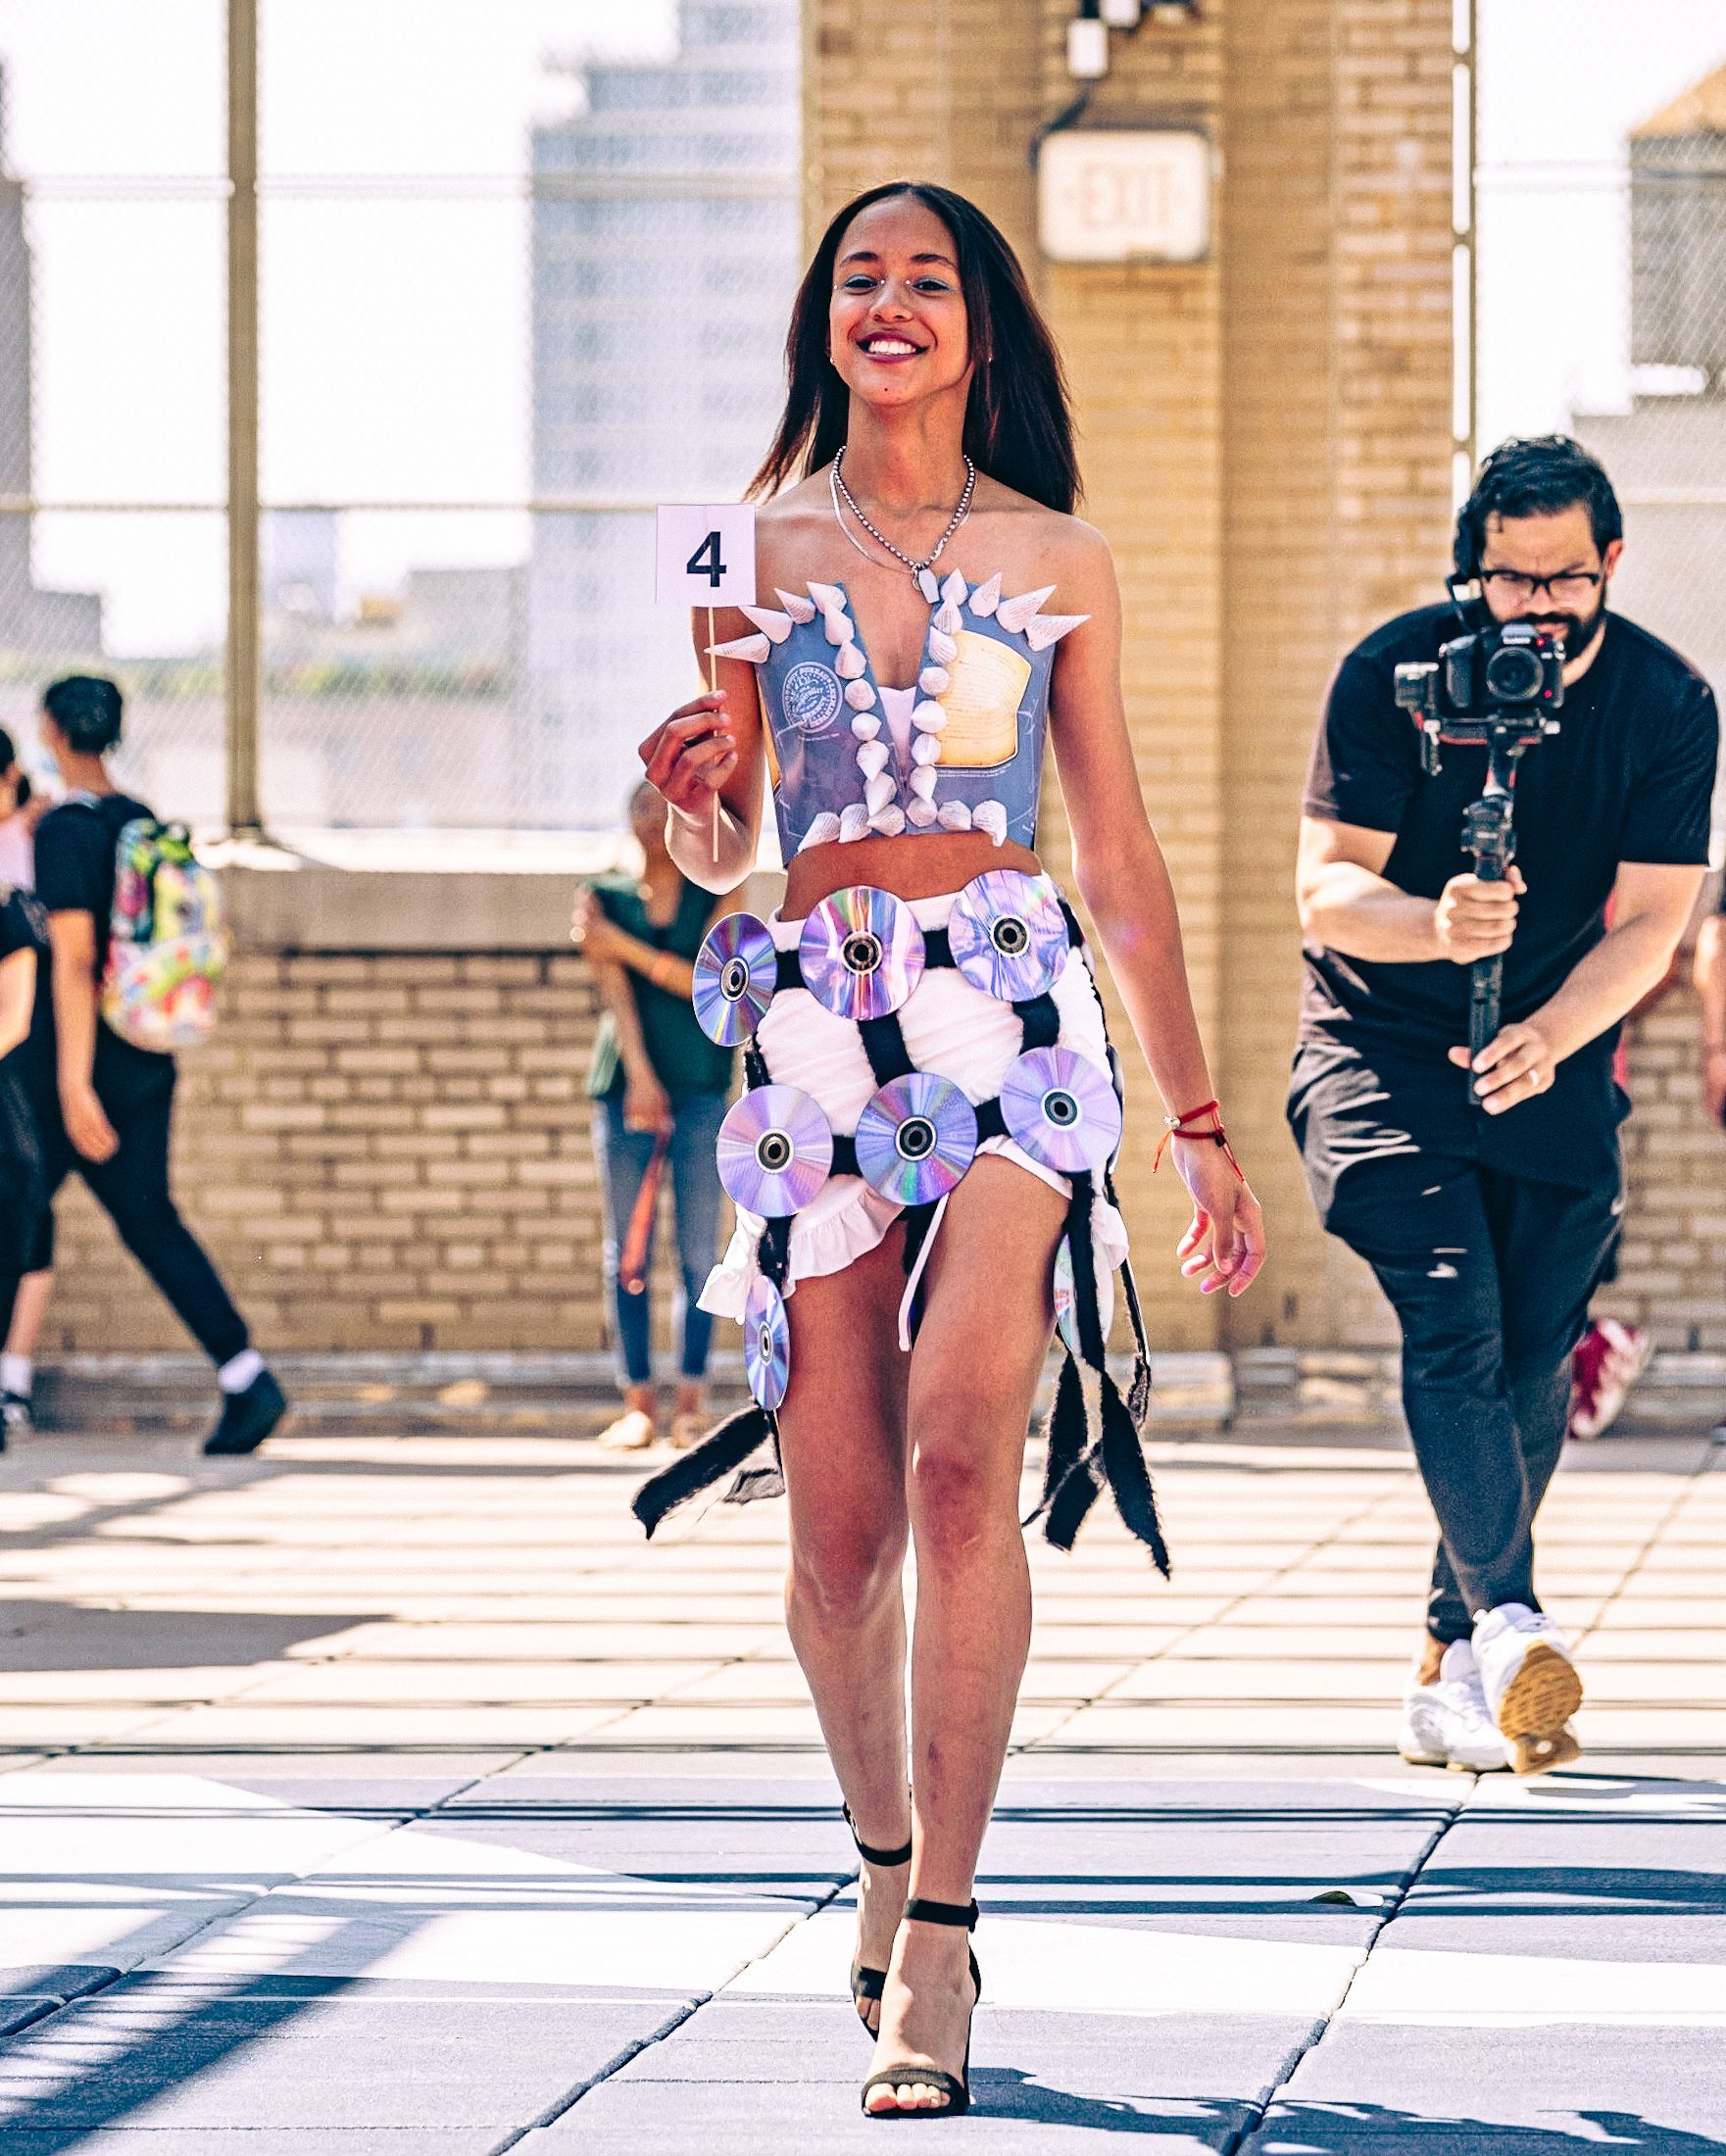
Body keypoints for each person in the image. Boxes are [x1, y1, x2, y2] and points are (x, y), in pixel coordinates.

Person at [634, 180, 1265, 2119]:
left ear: (979, 325)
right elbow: (726, 840)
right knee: (836, 1537)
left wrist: (1198, 1118)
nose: (887, 301)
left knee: (955, 1456)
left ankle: (948, 1935)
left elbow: (1123, 854)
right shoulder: (740, 542)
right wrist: (675, 805)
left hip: (1008, 1007)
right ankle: (881, 1843)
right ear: (822, 320)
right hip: (816, 1018)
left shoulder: (1059, 551)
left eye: (925, 278)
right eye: (857, 276)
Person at [1290, 436, 1716, 1776]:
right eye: (1510, 582)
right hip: (1379, 1044)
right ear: (1471, 568)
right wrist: (1433, 924)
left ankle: (1446, 1663)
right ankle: (1513, 1623)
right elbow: (1324, 889)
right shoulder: (1391, 676)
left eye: (1564, 582)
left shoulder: (1665, 702)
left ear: (1610, 566)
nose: (1536, 611)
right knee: (1453, 1310)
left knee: (1536, 1357)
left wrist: (1545, 1033)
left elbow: (1652, 921)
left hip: (1551, 1045)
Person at [29, 675, 288, 1456]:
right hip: (147, 1052)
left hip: (77, 1066)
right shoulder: (140, 822)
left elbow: (73, 963)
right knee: (149, 1218)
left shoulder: (63, 834)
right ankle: (246, 1376)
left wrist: (73, 1086)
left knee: (16, 1209)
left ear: (50, 731)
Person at [573, 780, 736, 1452]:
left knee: (699, 1251)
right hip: (626, 1084)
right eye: (638, 809)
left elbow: (709, 977)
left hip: (701, 1082)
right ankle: (637, 1402)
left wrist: (624, 946)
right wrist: (639, 1075)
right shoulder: (603, 894)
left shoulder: (718, 889)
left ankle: (690, 1402)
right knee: (628, 1252)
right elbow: (614, 991)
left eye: (660, 811)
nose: (647, 822)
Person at [0, 728, 52, 1436]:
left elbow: (13, 1014)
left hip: (23, 1066)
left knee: (29, 1208)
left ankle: (13, 1378)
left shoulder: (32, 835)